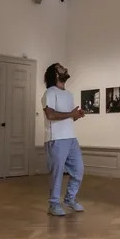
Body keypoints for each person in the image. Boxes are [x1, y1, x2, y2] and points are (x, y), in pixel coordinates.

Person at [41, 62, 85, 216]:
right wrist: (71, 115)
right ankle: (53, 204)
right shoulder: (50, 93)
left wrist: (77, 115)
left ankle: (69, 199)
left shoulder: (69, 94)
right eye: (61, 68)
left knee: (78, 170)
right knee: (57, 173)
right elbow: (51, 115)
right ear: (55, 74)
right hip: (55, 139)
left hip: (71, 138)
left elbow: (69, 118)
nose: (65, 68)